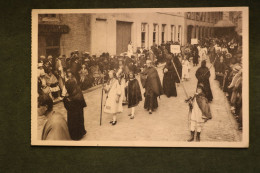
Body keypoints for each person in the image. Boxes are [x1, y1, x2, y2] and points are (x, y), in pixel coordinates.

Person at [63, 70, 87, 140]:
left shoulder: (73, 93)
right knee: (79, 120)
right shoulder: (77, 89)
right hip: (78, 109)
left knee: (74, 122)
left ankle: (76, 135)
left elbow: (68, 104)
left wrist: (66, 99)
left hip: (74, 111)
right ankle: (81, 133)